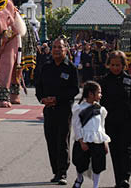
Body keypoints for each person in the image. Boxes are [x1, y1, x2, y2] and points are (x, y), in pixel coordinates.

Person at [35, 37, 80, 185]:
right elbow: (39, 87)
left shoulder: (70, 68)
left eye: (59, 48)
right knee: (51, 141)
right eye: (54, 47)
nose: (56, 50)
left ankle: (62, 172)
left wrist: (57, 99)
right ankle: (55, 171)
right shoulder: (46, 67)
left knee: (62, 141)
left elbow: (74, 89)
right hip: (49, 110)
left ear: (65, 49)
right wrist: (43, 99)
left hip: (64, 109)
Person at [98, 51, 131, 188]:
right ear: (108, 65)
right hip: (111, 123)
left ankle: (125, 178)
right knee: (115, 152)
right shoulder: (103, 81)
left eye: (118, 65)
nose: (116, 68)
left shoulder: (129, 80)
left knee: (127, 151)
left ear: (123, 65)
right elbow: (100, 105)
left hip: (128, 122)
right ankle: (118, 180)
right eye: (113, 65)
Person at [70, 81, 109, 188]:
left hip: (97, 139)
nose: (100, 95)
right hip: (84, 140)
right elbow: (76, 126)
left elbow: (102, 126)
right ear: (91, 94)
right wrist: (81, 141)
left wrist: (105, 142)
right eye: (99, 93)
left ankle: (95, 185)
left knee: (98, 164)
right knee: (80, 162)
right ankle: (79, 179)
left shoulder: (100, 109)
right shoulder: (79, 108)